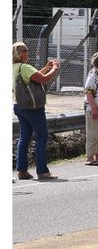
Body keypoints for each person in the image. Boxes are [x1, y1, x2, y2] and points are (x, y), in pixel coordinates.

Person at [12, 42, 60, 180]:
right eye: (26, 50)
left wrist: (46, 67)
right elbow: (43, 79)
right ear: (20, 53)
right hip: (33, 108)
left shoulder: (13, 67)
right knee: (42, 137)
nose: (28, 52)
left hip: (19, 105)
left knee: (24, 137)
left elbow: (35, 75)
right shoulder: (24, 67)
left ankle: (21, 170)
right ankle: (42, 171)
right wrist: (54, 68)